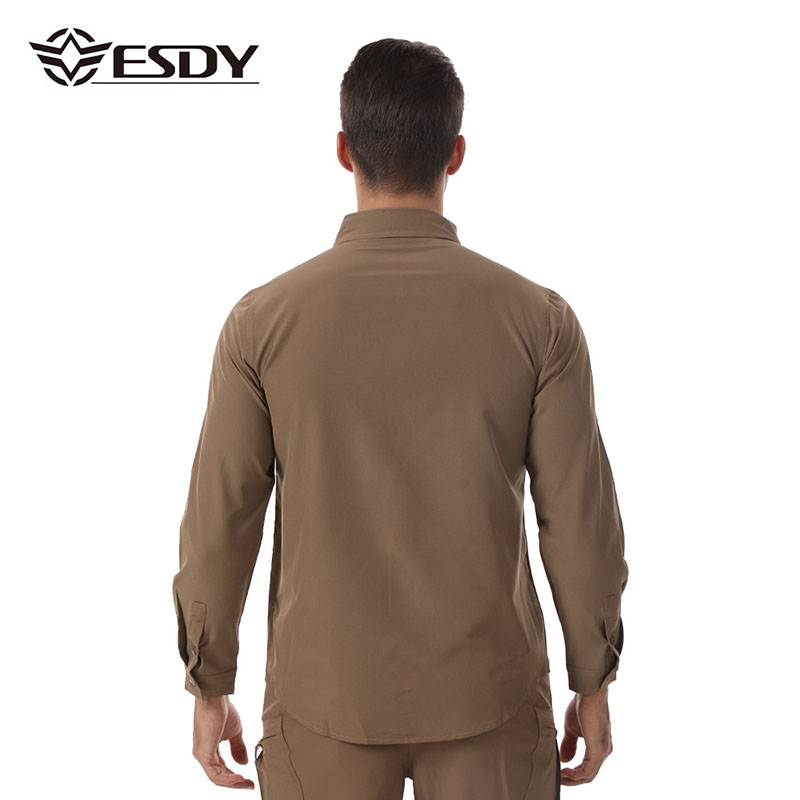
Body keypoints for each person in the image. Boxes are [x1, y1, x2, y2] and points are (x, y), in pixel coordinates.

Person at [172, 37, 628, 800]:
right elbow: (580, 523)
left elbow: (220, 522)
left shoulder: (261, 324)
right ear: (456, 155)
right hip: (491, 698)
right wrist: (595, 678)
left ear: (343, 151)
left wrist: (207, 681)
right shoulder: (539, 322)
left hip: (323, 702)